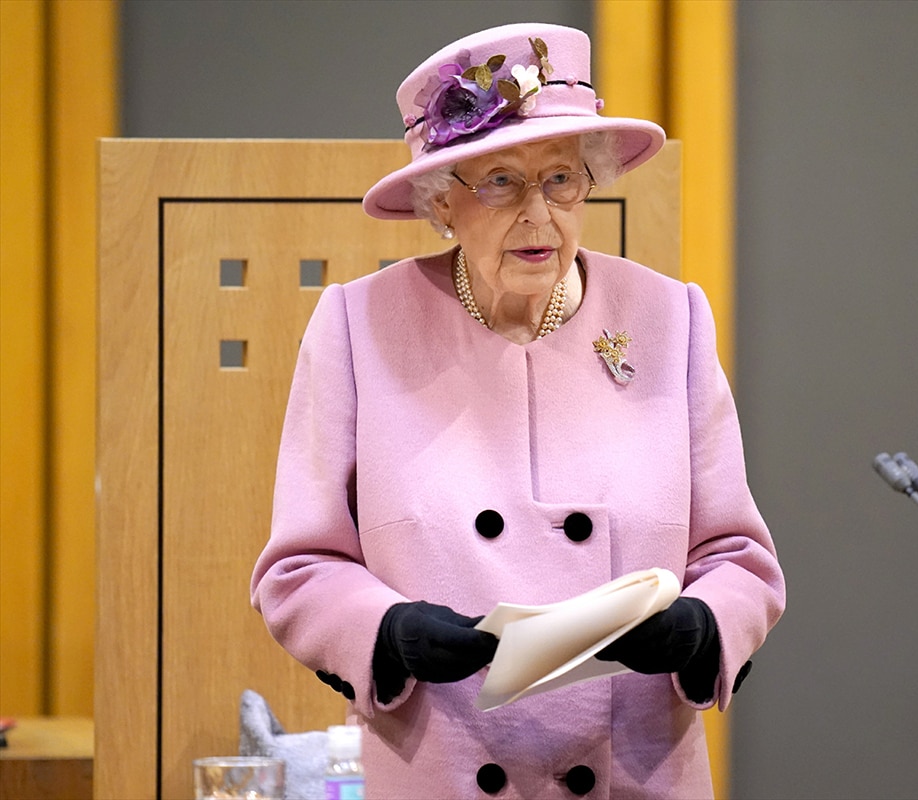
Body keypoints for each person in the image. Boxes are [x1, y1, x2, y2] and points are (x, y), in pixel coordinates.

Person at [251, 22, 785, 799]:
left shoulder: (671, 320)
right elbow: (299, 569)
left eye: (561, 179)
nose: (538, 214)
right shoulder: (359, 328)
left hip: (633, 773)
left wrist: (706, 625)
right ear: (441, 202)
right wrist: (385, 634)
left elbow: (739, 557)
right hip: (447, 767)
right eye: (499, 181)